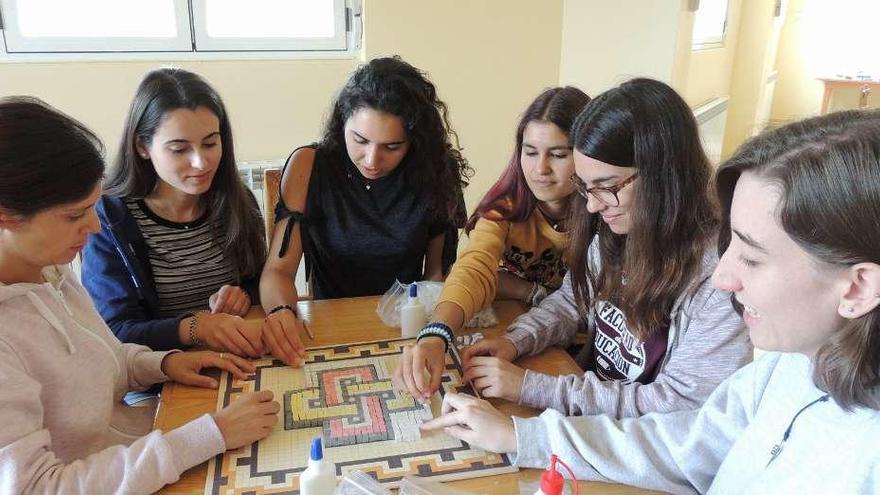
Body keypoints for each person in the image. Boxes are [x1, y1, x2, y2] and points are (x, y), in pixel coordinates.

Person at [421, 110, 880, 494]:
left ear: (858, 288)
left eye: (752, 257)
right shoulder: (789, 366)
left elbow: (677, 410)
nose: (723, 277)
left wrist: (533, 399)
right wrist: (528, 435)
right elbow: (685, 444)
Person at [399, 78, 751, 414]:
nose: (593, 206)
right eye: (585, 187)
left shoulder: (718, 281)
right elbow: (571, 299)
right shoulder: (619, 227)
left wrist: (534, 387)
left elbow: (677, 407)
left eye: (607, 186)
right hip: (592, 404)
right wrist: (516, 340)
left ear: (664, 175)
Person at [0, 96, 279, 494]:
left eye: (93, 208)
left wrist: (163, 364)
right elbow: (36, 487)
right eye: (76, 215)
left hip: (142, 445)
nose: (95, 226)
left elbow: (107, 355)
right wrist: (209, 434)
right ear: (5, 215)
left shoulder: (48, 269)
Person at [260, 56, 472, 366]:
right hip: (328, 327)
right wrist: (280, 313)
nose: (372, 160)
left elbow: (436, 276)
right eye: (360, 140)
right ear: (342, 121)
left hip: (406, 329)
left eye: (392, 146)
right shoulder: (310, 165)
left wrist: (432, 336)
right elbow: (278, 271)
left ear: (414, 141)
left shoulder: (434, 172)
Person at [392, 86, 590, 394]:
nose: (540, 169)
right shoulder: (507, 205)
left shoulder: (604, 212)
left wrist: (518, 287)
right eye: (530, 152)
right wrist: (435, 333)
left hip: (583, 349)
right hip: (522, 335)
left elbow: (587, 303)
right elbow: (474, 266)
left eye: (559, 155)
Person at [82, 68, 268, 359]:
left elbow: (259, 281)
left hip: (233, 358)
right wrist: (196, 328)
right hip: (155, 375)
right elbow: (115, 329)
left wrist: (243, 295)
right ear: (143, 146)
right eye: (179, 149)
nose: (200, 162)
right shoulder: (110, 217)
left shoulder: (237, 200)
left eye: (210, 143)